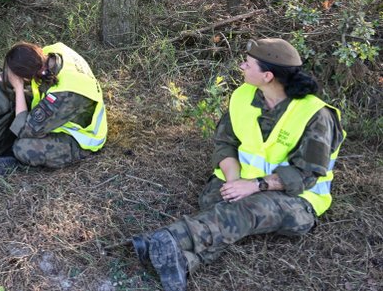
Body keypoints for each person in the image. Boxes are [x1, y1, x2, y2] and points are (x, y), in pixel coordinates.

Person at [130, 38, 345, 291]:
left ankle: (166, 239)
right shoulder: (243, 96)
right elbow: (225, 143)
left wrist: (254, 186)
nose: (242, 66)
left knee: (245, 210)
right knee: (216, 201)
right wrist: (234, 182)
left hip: (298, 198)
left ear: (267, 76)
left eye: (248, 64)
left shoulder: (316, 114)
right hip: (243, 182)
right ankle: (186, 262)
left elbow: (305, 176)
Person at [0, 42, 107, 173]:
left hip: (81, 139)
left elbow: (23, 130)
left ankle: (73, 154)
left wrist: (18, 87)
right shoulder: (52, 52)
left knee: (22, 148)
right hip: (67, 114)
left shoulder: (63, 95)